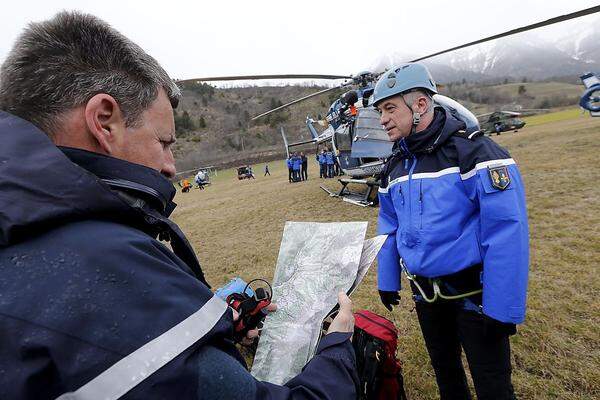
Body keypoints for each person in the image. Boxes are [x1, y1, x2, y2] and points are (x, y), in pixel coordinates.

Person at [0, 12, 359, 400]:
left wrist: (204, 332)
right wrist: (338, 348)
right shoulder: (103, 266)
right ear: (104, 121)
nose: (170, 166)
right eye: (165, 142)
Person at [373, 63, 529, 400]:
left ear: (420, 105)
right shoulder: (395, 165)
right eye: (380, 111)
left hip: (476, 299)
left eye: (389, 108)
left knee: (493, 385)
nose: (382, 119)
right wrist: (387, 280)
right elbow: (388, 226)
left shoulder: (476, 153)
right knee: (447, 376)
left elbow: (506, 232)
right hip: (426, 297)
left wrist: (502, 308)